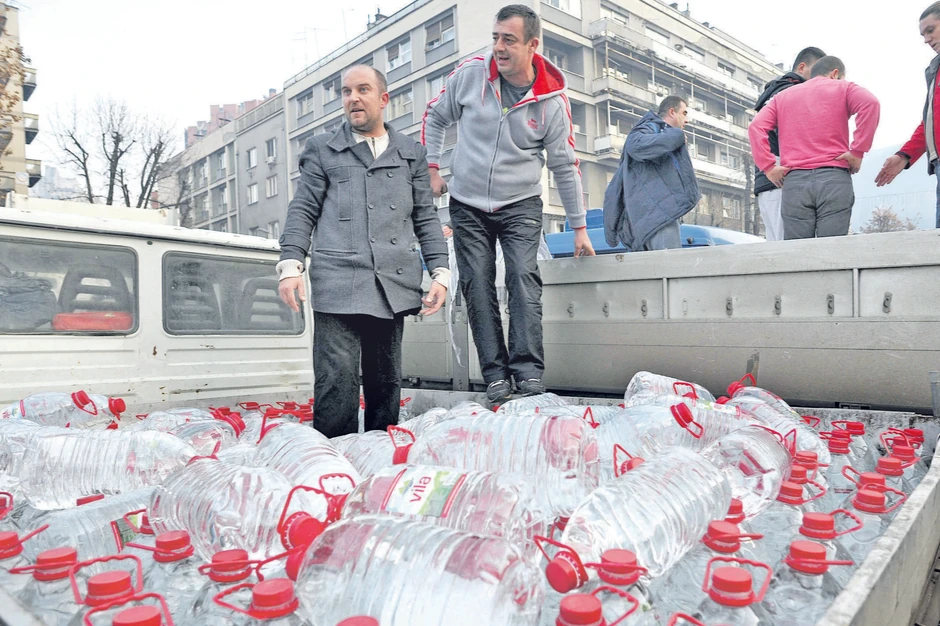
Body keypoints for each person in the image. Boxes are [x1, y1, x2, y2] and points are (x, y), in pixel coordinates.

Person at [421, 4, 595, 407]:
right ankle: (496, 376)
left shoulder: (552, 101)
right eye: (495, 38)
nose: (498, 47)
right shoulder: (470, 75)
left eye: (509, 40)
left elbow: (565, 165)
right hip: (467, 202)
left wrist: (579, 227)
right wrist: (431, 167)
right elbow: (435, 116)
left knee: (521, 276)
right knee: (476, 283)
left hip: (520, 202)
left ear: (533, 45)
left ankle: (528, 371)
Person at [276, 65, 449, 438]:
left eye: (363, 89)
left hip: (392, 283)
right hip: (338, 282)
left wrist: (440, 272)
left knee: (385, 384)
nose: (353, 98)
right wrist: (291, 264)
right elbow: (302, 209)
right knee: (335, 383)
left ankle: (379, 459)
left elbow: (425, 216)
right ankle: (331, 462)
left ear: (383, 99)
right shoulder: (322, 149)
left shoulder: (411, 154)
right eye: (346, 91)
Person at [748, 56, 881, 239]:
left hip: (795, 182)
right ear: (835, 74)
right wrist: (858, 151)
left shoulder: (782, 97)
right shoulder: (844, 88)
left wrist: (768, 167)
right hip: (834, 177)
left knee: (799, 250)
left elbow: (756, 127)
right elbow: (870, 104)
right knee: (832, 247)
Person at [603, 96, 700, 252]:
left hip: (654, 217)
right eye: (684, 113)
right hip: (657, 219)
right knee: (669, 265)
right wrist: (676, 136)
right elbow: (635, 145)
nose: (687, 120)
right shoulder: (652, 127)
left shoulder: (662, 134)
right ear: (672, 112)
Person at [875, 2, 940, 228]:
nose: (927, 39)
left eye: (931, 30)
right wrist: (904, 155)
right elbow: (931, 121)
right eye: (923, 35)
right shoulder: (935, 71)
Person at [752, 47, 827, 241]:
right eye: (817, 73)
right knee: (788, 246)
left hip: (770, 181)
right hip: (782, 178)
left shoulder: (775, 92)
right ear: (802, 68)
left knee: (778, 244)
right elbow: (793, 136)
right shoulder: (791, 92)